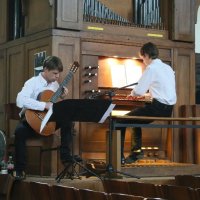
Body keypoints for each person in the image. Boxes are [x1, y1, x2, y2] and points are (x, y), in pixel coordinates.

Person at [14, 56, 79, 180]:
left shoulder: (55, 84)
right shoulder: (32, 82)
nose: (57, 77)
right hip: (31, 121)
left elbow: (53, 102)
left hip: (48, 121)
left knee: (68, 119)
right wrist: (43, 105)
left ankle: (66, 158)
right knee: (19, 132)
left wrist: (62, 95)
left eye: (58, 74)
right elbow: (20, 100)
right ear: (45, 70)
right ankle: (19, 170)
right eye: (55, 73)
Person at [120, 42, 177, 164]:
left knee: (120, 121)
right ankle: (136, 152)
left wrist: (132, 95)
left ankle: (119, 158)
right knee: (135, 118)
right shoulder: (167, 68)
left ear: (146, 55)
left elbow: (139, 90)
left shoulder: (151, 68)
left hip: (157, 107)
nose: (143, 62)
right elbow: (161, 90)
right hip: (168, 109)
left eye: (142, 59)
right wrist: (144, 95)